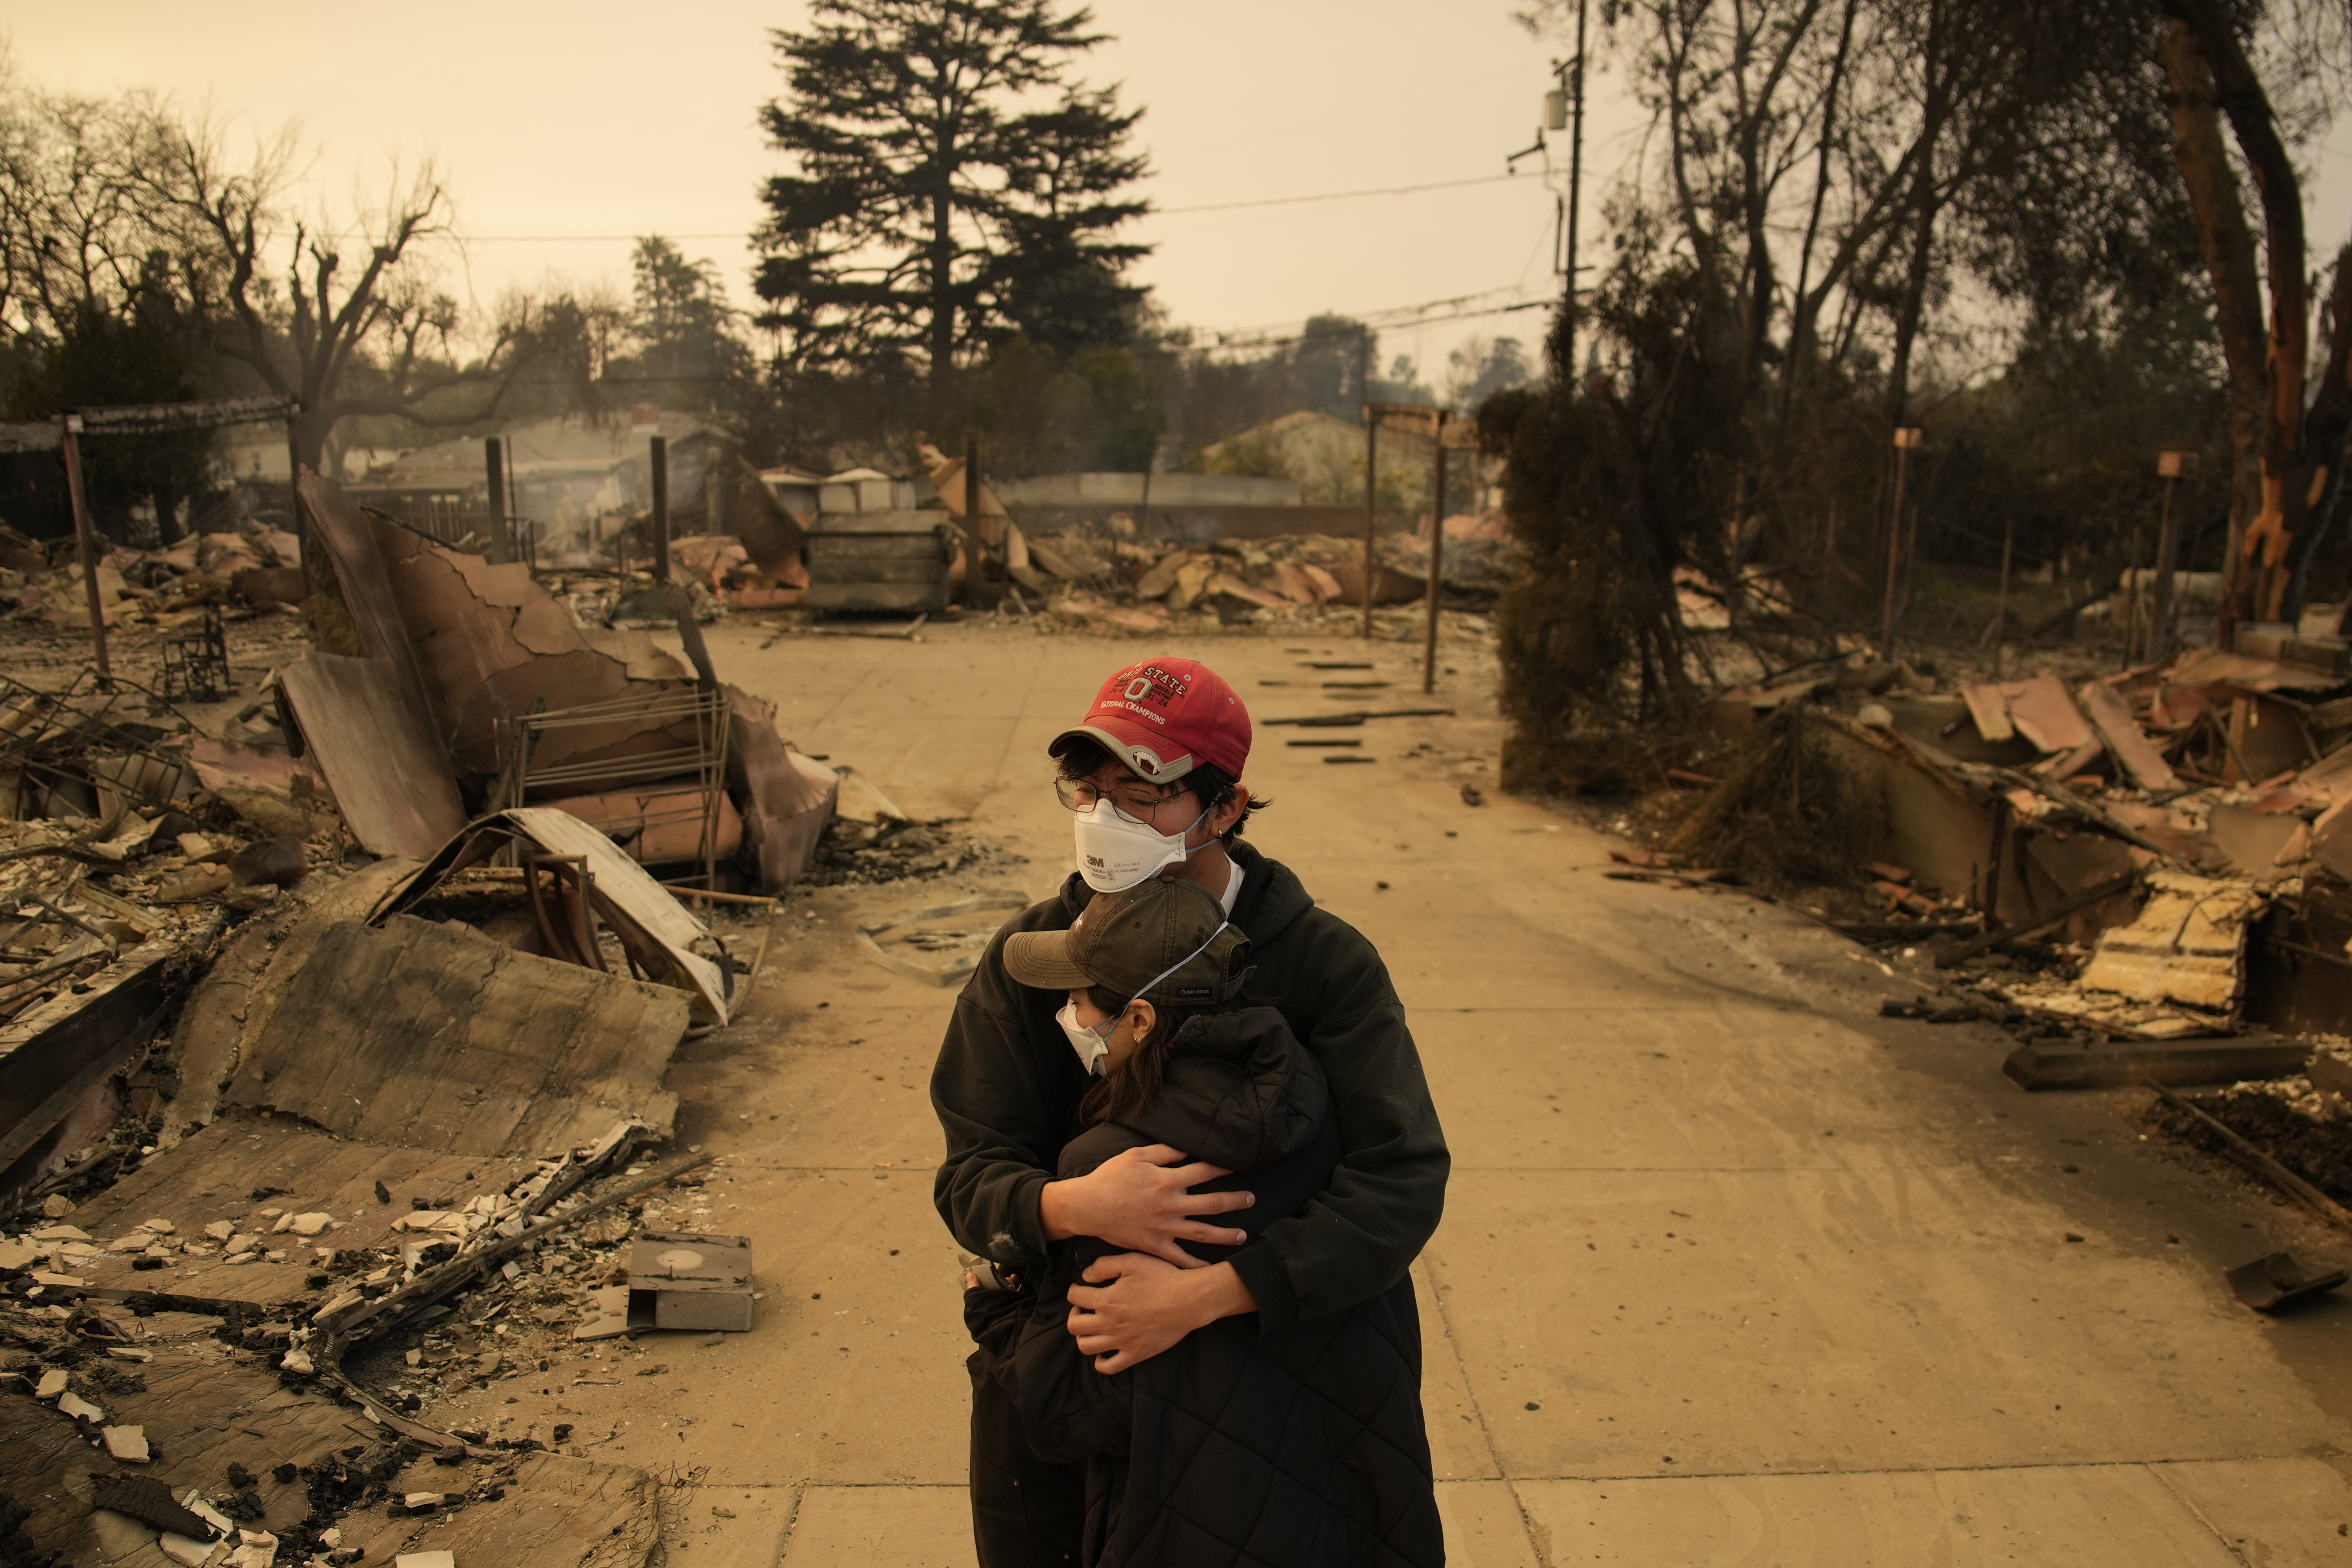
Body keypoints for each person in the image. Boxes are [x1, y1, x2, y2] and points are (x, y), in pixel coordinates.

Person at [931, 656, 1451, 1566]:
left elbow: (1399, 1180)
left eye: (1142, 796)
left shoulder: (1323, 964)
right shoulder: (1029, 957)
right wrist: (1072, 1206)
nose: (1105, 821)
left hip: (1295, 1379)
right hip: (1083, 1377)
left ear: (1225, 808)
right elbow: (973, 1168)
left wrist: (1202, 1297)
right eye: (1090, 793)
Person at [965, 872, 1437, 1566]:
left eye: (1077, 996)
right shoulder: (1320, 1109)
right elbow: (1391, 1200)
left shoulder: (1117, 1170)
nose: (1068, 1012)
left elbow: (1064, 1404)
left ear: (1142, 1020)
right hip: (1350, 1476)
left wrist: (993, 1307)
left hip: (1196, 1510)